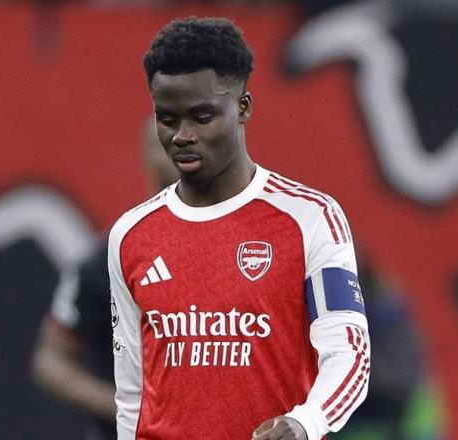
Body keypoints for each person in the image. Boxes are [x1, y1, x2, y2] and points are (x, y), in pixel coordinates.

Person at [108, 17, 370, 440]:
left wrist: (305, 422)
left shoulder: (310, 217)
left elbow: (350, 355)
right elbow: (131, 392)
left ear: (243, 107)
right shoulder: (131, 235)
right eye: (167, 119)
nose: (182, 136)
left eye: (202, 117)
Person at [31, 117, 178, 440]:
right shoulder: (106, 260)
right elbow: (51, 358)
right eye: (165, 144)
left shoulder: (239, 250)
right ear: (145, 154)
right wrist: (125, 406)